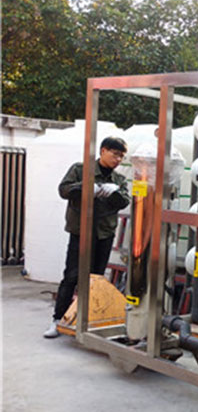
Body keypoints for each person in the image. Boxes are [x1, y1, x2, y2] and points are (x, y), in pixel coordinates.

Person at [44, 137, 130, 338]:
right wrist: (85, 187)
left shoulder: (119, 180)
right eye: (115, 154)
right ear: (103, 151)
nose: (118, 159)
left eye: (121, 156)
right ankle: (58, 319)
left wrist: (115, 193)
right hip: (81, 233)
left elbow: (124, 201)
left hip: (104, 234)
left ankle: (88, 319)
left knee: (96, 278)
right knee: (72, 276)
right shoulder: (80, 169)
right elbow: (63, 190)